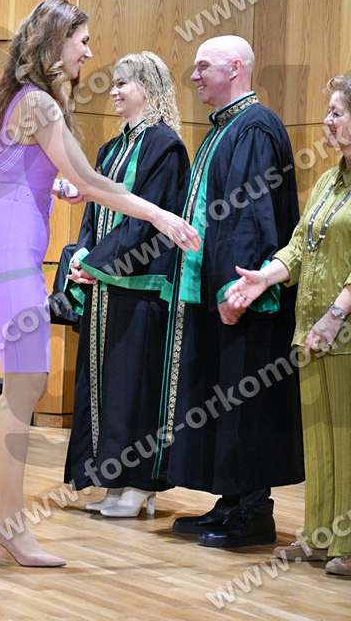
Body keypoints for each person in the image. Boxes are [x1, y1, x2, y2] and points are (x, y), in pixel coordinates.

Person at [0, 0, 200, 568]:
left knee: (19, 387)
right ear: (56, 41)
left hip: (1, 251)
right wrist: (160, 214)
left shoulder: (25, 99)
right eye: (82, 40)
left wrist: (58, 185)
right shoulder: (39, 101)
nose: (89, 52)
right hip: (10, 259)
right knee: (25, 390)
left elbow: (47, 178)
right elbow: (90, 179)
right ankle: (12, 524)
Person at [167, 35, 304, 549]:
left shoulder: (255, 127)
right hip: (219, 294)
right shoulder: (226, 128)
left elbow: (252, 215)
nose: (194, 76)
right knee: (223, 399)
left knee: (247, 402)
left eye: (204, 66)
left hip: (246, 295)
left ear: (236, 69)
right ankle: (230, 500)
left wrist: (238, 287)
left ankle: (253, 511)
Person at [225, 75, 351, 576]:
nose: (327, 121)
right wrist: (264, 276)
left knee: (347, 439)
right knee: (319, 440)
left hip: (342, 332)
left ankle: (347, 543)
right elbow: (298, 246)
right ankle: (319, 536)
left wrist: (336, 315)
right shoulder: (327, 180)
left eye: (337, 112)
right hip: (312, 332)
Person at [62, 52, 190, 517]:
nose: (114, 91)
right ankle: (112, 482)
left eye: (124, 83)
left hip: (141, 286)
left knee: (135, 385)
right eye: (114, 83)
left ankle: (140, 484)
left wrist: (97, 263)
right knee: (105, 386)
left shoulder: (165, 146)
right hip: (105, 283)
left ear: (148, 88)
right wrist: (82, 257)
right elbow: (94, 214)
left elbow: (152, 220)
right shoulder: (111, 148)